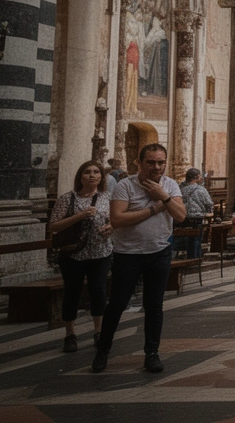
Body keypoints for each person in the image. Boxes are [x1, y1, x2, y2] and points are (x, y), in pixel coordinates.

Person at [92, 143, 185, 374]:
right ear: (139, 162)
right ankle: (103, 350)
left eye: (161, 162)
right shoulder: (126, 185)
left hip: (159, 252)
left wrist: (163, 196)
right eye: (151, 162)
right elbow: (117, 220)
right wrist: (153, 209)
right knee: (117, 305)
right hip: (128, 254)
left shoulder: (170, 185)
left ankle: (152, 354)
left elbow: (181, 215)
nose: (156, 167)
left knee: (154, 306)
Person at [49, 160, 114, 353]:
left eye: (96, 172)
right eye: (87, 172)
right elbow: (54, 226)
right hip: (73, 253)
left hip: (100, 251)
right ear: (80, 176)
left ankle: (99, 331)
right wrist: (81, 215)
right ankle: (70, 334)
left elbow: (116, 221)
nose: (92, 175)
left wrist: (110, 228)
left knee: (98, 291)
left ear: (101, 177)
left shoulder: (107, 197)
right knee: (72, 292)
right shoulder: (67, 198)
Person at [177, 167, 213, 259]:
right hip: (197, 218)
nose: (201, 178)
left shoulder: (179, 189)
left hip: (182, 218)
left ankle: (189, 257)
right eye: (200, 176)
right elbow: (209, 203)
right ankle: (195, 259)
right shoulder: (200, 190)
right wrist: (209, 212)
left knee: (186, 239)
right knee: (196, 240)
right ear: (196, 177)